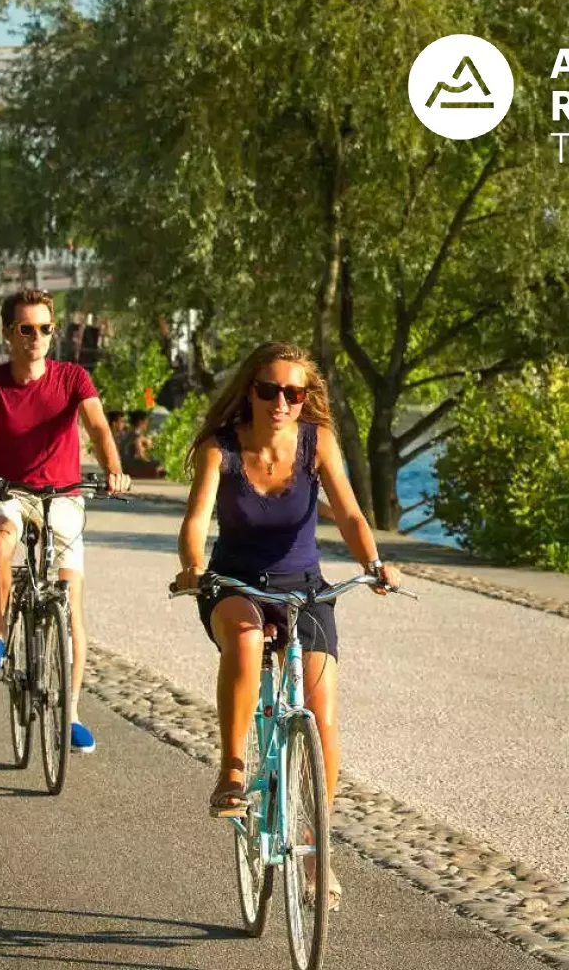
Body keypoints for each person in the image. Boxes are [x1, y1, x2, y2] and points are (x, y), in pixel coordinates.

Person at [172, 342, 401, 911]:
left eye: (293, 393)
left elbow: (350, 513)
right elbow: (196, 520)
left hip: (305, 587)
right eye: (269, 390)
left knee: (322, 715)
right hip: (234, 585)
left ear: (305, 398)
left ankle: (318, 849)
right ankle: (231, 770)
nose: (281, 403)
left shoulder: (317, 443)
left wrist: (374, 564)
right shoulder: (221, 449)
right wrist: (194, 568)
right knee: (246, 639)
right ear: (249, 391)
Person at [0, 289, 130, 754]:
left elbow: (97, 426)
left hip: (63, 495)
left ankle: (70, 712)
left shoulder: (73, 377)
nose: (36, 337)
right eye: (26, 329)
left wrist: (113, 468)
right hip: (10, 491)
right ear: (8, 333)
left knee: (71, 604)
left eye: (44, 329)